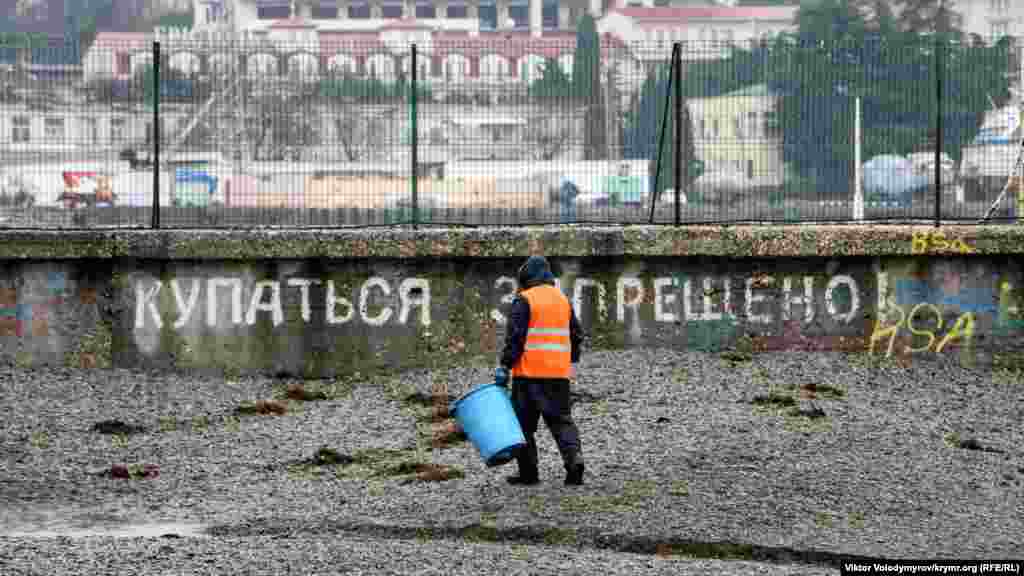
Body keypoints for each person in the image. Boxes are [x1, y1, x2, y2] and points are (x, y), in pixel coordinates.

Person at [494, 255, 585, 486]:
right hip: (558, 375)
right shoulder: (563, 300)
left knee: (522, 425)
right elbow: (576, 335)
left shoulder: (525, 299)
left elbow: (516, 338)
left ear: (526, 278)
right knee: (561, 421)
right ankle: (574, 463)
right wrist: (570, 360)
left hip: (528, 375)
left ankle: (529, 473)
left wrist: (505, 365)